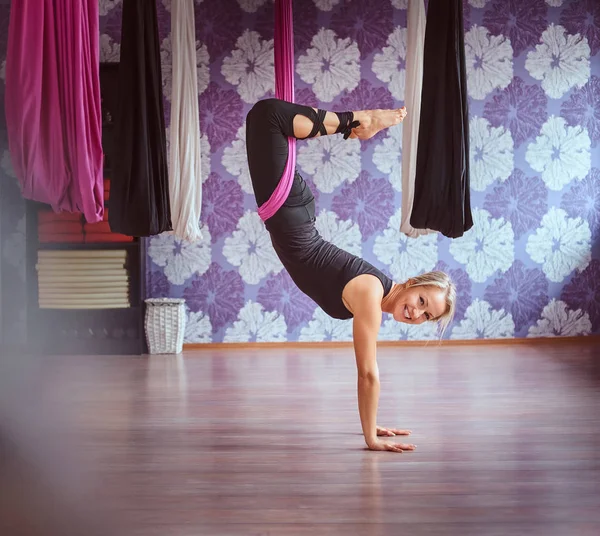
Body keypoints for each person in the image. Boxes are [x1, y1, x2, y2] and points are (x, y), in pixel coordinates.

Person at [246, 98, 457, 453]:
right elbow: (368, 374)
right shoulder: (371, 296)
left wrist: (372, 423)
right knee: (266, 116)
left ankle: (356, 123)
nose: (416, 313)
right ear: (412, 283)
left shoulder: (376, 292)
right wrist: (370, 438)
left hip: (290, 213)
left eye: (427, 315)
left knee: (265, 119)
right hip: (288, 212)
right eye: (421, 301)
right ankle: (361, 120)